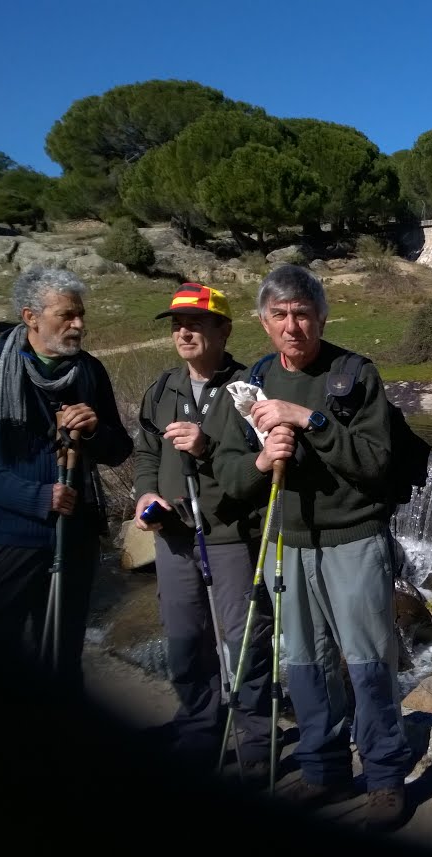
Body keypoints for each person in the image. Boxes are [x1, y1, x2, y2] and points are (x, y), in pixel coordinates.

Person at [205, 264, 418, 831]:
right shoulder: (247, 384)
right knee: (303, 663)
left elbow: (376, 462)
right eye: (280, 315)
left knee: (369, 663)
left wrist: (309, 419)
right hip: (287, 542)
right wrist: (260, 458)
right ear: (263, 322)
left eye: (303, 314)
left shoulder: (354, 373)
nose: (292, 326)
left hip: (354, 539)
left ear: (321, 318)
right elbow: (226, 473)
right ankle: (323, 771)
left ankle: (384, 778)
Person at [0, 265, 132, 694]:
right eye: (66, 315)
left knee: (62, 658)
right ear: (31, 317)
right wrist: (35, 497)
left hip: (75, 536)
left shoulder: (89, 372)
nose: (78, 324)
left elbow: (119, 451)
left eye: (80, 314)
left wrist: (95, 430)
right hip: (8, 539)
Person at [131, 283, 274, 774]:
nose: (183, 333)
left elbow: (263, 463)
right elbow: (147, 451)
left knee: (245, 639)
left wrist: (207, 445)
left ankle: (256, 739)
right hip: (174, 535)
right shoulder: (162, 388)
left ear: (224, 329)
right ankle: (199, 728)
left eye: (195, 324)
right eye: (176, 325)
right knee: (185, 638)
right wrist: (146, 493)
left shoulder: (247, 390)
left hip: (232, 534)